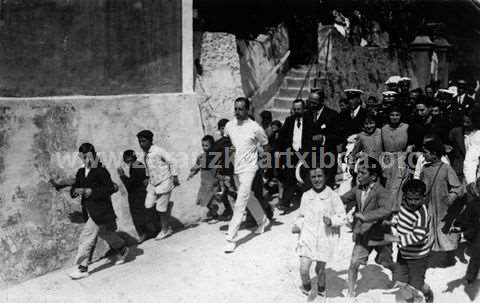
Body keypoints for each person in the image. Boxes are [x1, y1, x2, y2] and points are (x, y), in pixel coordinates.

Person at [69, 143, 129, 280]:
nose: (86, 160)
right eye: (83, 157)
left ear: (94, 155)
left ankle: (82, 268)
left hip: (101, 209)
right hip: (88, 210)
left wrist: (92, 191)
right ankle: (122, 248)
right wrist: (75, 191)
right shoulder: (80, 172)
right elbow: (75, 188)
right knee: (104, 233)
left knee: (86, 236)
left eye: (89, 157)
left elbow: (110, 188)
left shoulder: (100, 170)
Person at [223, 97, 271, 253]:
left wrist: (266, 165)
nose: (238, 112)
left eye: (241, 109)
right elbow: (227, 143)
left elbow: (266, 145)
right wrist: (228, 152)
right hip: (237, 168)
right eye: (236, 109)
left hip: (250, 169)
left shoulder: (255, 127)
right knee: (249, 197)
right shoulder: (229, 126)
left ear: (248, 110)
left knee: (240, 202)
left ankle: (231, 238)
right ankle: (263, 221)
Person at [341, 157, 394, 297]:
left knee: (386, 262)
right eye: (358, 172)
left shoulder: (381, 191)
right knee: (354, 263)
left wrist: (367, 216)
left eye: (362, 173)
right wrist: (327, 199)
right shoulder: (358, 189)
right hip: (363, 234)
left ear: (374, 176)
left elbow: (387, 210)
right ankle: (351, 293)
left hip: (381, 236)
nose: (358, 175)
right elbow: (343, 199)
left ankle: (397, 275)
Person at [292, 167, 346, 297]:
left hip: (324, 238)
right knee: (304, 269)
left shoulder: (332, 195)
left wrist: (332, 221)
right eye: (313, 177)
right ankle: (307, 288)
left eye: (320, 176)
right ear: (310, 179)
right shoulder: (306, 195)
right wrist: (298, 226)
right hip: (307, 237)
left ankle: (321, 290)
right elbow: (301, 216)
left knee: (320, 270)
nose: (317, 179)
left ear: (325, 177)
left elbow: (343, 216)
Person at [384, 179, 434, 303]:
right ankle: (410, 300)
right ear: (405, 196)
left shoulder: (422, 214)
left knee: (416, 284)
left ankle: (427, 292)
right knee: (401, 281)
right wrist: (393, 221)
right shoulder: (404, 204)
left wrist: (396, 239)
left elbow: (418, 235)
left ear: (423, 197)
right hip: (403, 252)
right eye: (409, 198)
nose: (412, 202)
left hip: (418, 256)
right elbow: (401, 216)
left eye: (416, 199)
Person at [420, 139, 463, 266]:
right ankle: (425, 256)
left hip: (443, 206)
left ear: (434, 154)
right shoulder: (424, 169)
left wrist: (451, 198)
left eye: (426, 153)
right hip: (428, 205)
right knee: (427, 229)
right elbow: (422, 186)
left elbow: (457, 187)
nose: (423, 155)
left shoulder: (446, 168)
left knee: (444, 231)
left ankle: (450, 256)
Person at [137, 130, 179, 240]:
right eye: (140, 142)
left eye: (144, 141)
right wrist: (147, 177)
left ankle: (165, 229)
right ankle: (166, 209)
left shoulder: (158, 151)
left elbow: (172, 161)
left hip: (165, 181)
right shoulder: (145, 154)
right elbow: (149, 167)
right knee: (148, 205)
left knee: (160, 209)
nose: (142, 144)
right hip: (153, 183)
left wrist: (175, 176)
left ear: (150, 141)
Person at [278, 99, 313, 214]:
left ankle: (307, 205)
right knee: (289, 177)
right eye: (295, 109)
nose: (297, 111)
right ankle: (285, 204)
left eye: (299, 109)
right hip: (292, 153)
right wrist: (279, 151)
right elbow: (282, 137)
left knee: (307, 178)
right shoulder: (289, 120)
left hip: (306, 153)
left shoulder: (310, 120)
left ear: (303, 109)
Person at [118, 150, 158, 243]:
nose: (127, 162)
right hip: (138, 193)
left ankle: (146, 233)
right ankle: (148, 232)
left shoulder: (137, 165)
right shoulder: (136, 165)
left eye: (128, 159)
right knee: (142, 213)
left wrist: (122, 176)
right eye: (126, 160)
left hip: (138, 194)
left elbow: (131, 183)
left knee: (140, 214)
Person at [307, 90, 341, 187]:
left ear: (321, 102)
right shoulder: (307, 115)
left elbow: (339, 136)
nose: (311, 105)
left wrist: (324, 138)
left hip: (327, 157)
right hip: (311, 158)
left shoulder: (332, 115)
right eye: (310, 102)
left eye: (314, 103)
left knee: (327, 187)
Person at [187, 135, 220, 222]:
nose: (204, 147)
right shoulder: (201, 157)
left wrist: (198, 167)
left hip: (213, 182)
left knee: (211, 200)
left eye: (206, 145)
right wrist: (192, 173)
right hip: (204, 183)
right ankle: (214, 214)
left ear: (212, 146)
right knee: (204, 200)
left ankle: (215, 216)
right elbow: (197, 166)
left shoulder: (214, 155)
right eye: (203, 145)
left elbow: (210, 165)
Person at [212, 118, 235, 220]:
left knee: (231, 192)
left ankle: (233, 210)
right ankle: (229, 210)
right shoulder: (229, 141)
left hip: (228, 172)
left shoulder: (221, 143)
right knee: (226, 192)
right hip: (226, 172)